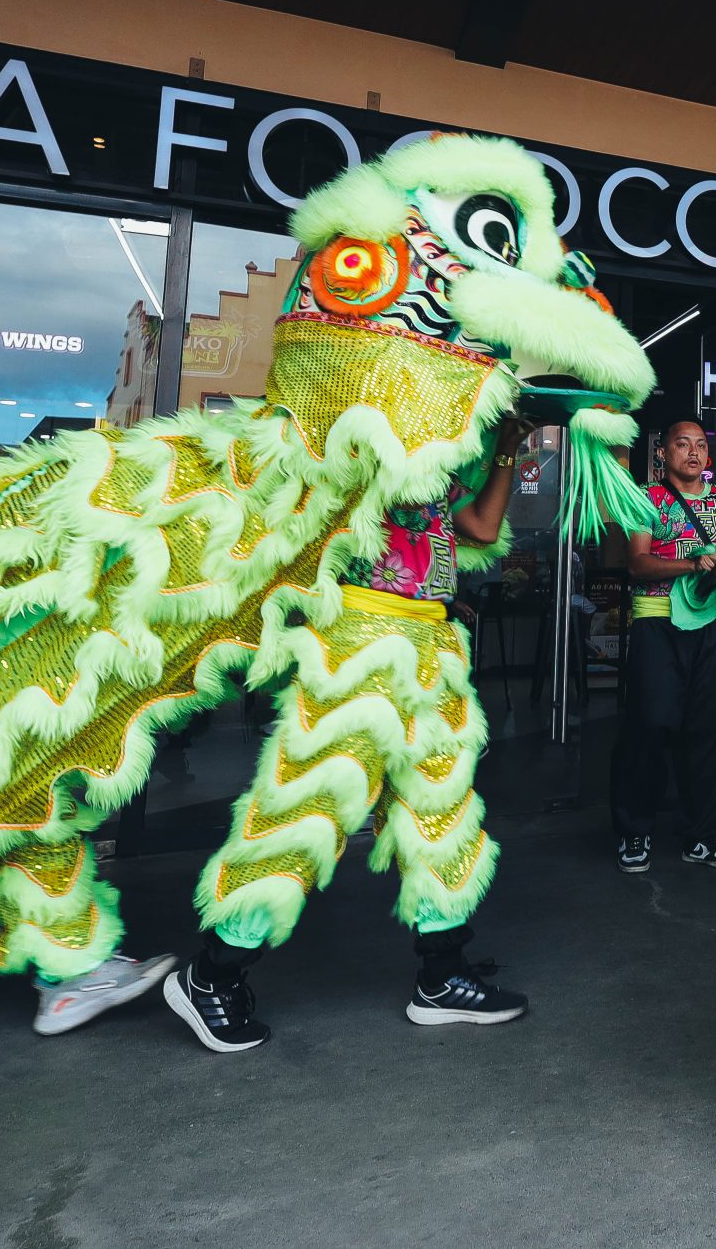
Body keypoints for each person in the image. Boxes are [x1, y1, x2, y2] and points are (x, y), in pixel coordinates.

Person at [166, 412, 539, 1052]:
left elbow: (479, 528)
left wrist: (505, 448)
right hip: (355, 643)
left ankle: (442, 975)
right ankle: (213, 973)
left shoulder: (440, 459)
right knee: (309, 810)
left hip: (431, 644)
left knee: (439, 813)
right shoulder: (358, 439)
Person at [612, 417, 716, 874]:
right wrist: (692, 564)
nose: (693, 453)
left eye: (700, 446)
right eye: (682, 444)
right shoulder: (644, 497)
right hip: (656, 620)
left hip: (707, 622)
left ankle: (703, 837)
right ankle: (634, 832)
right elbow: (637, 563)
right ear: (662, 452)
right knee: (650, 725)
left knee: (707, 730)